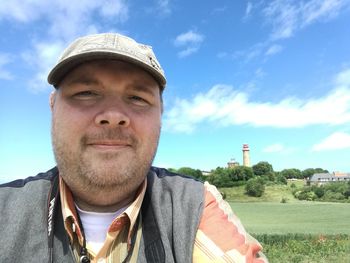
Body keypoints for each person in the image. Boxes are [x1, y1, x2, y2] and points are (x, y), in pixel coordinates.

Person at [0, 33, 267, 263]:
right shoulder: (5, 209)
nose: (114, 114)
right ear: (52, 106)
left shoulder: (194, 207)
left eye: (137, 98)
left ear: (161, 113)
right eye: (86, 93)